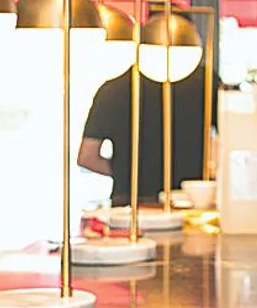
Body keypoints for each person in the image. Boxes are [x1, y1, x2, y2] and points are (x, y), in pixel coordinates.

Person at [79, 65, 214, 207]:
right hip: (192, 202)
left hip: (130, 205)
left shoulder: (112, 90)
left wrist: (123, 170)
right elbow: (230, 142)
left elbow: (87, 157)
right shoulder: (206, 82)